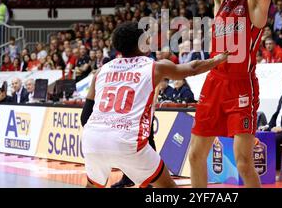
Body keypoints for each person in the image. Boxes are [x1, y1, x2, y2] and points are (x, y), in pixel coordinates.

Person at [81, 21, 228, 188]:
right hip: (127, 141)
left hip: (93, 140)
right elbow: (192, 68)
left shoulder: (101, 70)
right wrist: (219, 58)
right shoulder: (155, 67)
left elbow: (84, 116)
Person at [190, 0, 272, 188]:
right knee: (195, 155)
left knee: (243, 161)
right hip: (214, 81)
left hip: (242, 85)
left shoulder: (256, 2)